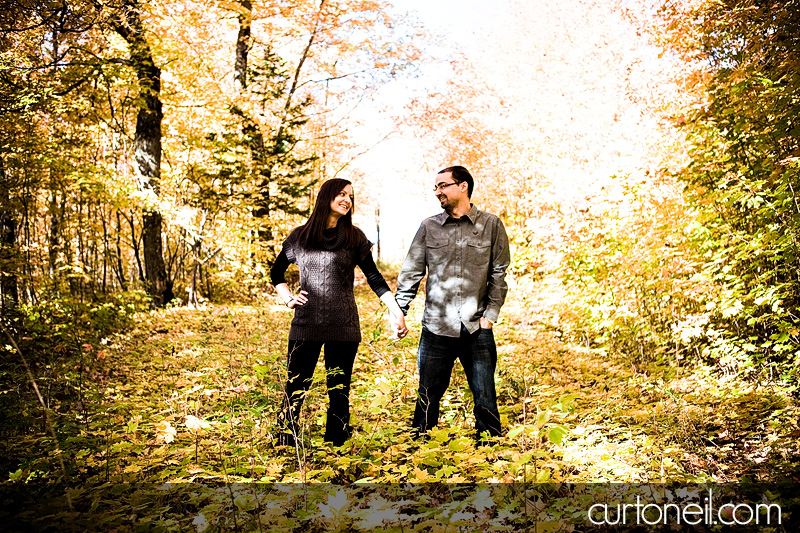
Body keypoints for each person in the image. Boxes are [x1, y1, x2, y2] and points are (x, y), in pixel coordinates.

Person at [271, 178, 408, 447]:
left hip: (344, 326)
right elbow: (276, 272)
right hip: (306, 324)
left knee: (339, 390)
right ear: (327, 197)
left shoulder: (354, 238)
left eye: (351, 196)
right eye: (342, 194)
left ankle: (337, 445)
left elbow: (375, 278)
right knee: (296, 385)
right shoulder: (300, 237)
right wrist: (288, 299)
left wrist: (397, 311)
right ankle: (285, 442)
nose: (347, 200)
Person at [395, 166, 510, 442]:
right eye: (436, 187)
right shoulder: (429, 227)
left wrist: (489, 316)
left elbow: (499, 273)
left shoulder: (491, 225)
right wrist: (400, 310)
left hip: (476, 327)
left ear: (463, 187)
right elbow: (411, 271)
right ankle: (421, 450)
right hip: (436, 328)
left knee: (485, 396)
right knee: (427, 397)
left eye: (443, 186)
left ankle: (491, 450)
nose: (438, 192)